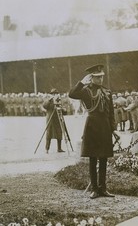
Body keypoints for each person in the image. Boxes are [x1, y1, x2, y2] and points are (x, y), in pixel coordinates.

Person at [68, 64, 116, 199]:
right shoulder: (85, 90)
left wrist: (114, 129)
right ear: (91, 78)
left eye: (101, 77)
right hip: (92, 126)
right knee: (93, 158)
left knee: (104, 158)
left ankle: (103, 188)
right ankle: (94, 189)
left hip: (105, 126)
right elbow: (71, 94)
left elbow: (111, 112)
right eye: (97, 77)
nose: (100, 80)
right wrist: (81, 82)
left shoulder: (107, 92)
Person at [42, 88, 65, 153]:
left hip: (57, 118)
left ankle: (59, 148)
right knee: (49, 133)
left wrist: (64, 110)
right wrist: (49, 100)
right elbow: (44, 106)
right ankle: (47, 148)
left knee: (59, 133)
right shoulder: (48, 100)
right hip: (51, 119)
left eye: (56, 93)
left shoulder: (59, 100)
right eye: (54, 94)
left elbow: (61, 109)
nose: (55, 95)